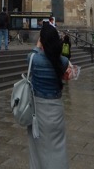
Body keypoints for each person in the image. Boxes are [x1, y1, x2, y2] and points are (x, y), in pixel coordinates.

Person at [28, 22, 69, 168]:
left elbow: (32, 54)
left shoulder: (34, 59)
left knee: (36, 147)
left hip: (38, 111)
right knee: (58, 148)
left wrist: (39, 45)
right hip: (56, 110)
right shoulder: (63, 62)